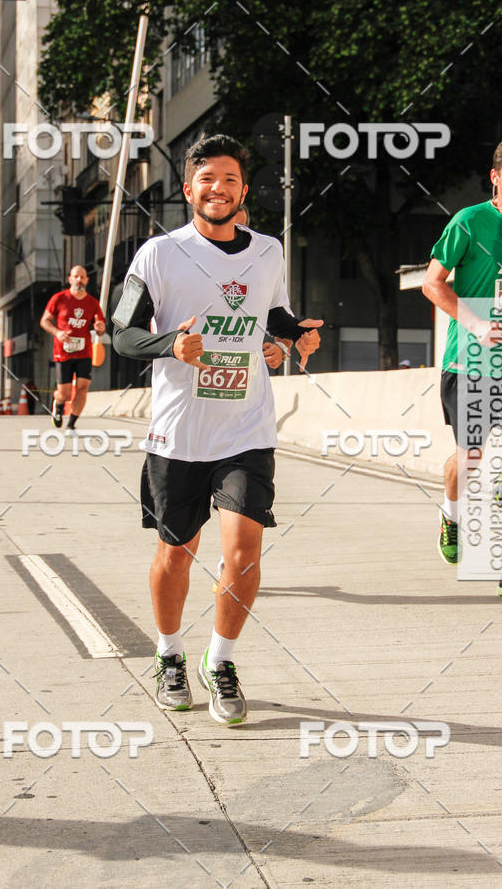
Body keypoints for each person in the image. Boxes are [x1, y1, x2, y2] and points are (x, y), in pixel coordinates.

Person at [113, 134, 322, 724]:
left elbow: (271, 314)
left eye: (230, 179)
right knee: (176, 554)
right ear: (188, 189)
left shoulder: (269, 251)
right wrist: (170, 345)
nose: (219, 188)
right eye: (207, 179)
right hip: (179, 433)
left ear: (243, 190)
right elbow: (121, 334)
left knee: (244, 549)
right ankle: (169, 654)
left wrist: (294, 333)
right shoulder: (157, 254)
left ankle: (221, 661)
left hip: (245, 428)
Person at [422, 136, 502, 597]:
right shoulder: (469, 223)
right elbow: (432, 284)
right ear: (496, 177)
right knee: (471, 459)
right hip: (469, 363)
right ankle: (451, 515)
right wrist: (478, 323)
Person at [40, 265, 106, 436]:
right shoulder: (59, 298)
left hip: (84, 352)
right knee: (65, 392)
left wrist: (100, 328)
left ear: (87, 280)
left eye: (82, 277)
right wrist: (57, 332)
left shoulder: (92, 303)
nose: (79, 280)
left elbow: (100, 327)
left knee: (83, 387)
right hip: (63, 351)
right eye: (76, 276)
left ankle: (71, 425)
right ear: (70, 279)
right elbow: (44, 321)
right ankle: (58, 403)